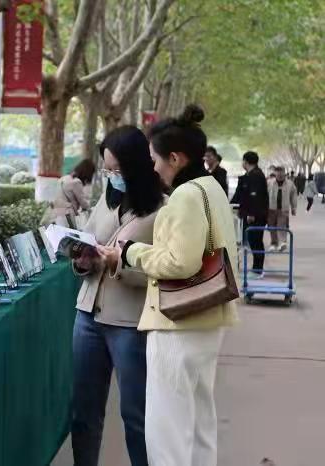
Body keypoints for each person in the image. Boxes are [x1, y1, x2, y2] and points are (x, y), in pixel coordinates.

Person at [97, 104, 238, 466]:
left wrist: (130, 252)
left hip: (178, 321)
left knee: (168, 431)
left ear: (175, 158)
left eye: (155, 160)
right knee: (199, 422)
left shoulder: (186, 196)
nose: (154, 168)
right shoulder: (212, 188)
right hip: (208, 317)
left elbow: (180, 262)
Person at [70, 126, 164, 466]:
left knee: (136, 414)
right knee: (84, 412)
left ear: (137, 165)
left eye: (117, 170)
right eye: (107, 170)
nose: (112, 177)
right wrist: (81, 259)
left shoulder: (162, 210)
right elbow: (88, 241)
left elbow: (162, 270)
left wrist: (118, 263)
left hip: (129, 323)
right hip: (87, 317)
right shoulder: (106, 201)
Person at [231, 151, 269, 277]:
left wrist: (251, 213)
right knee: (252, 241)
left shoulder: (256, 175)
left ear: (246, 161)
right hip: (249, 214)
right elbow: (242, 194)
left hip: (256, 216)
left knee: (256, 241)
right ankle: (256, 269)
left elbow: (255, 196)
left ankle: (258, 270)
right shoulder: (249, 175)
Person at [40, 159, 95, 226]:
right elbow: (83, 203)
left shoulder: (64, 178)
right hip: (66, 215)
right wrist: (92, 210)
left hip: (55, 214)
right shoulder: (76, 182)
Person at [267, 166, 297, 251]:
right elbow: (264, 194)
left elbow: (293, 196)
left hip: (283, 209)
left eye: (281, 173)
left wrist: (294, 207)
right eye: (278, 173)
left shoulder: (290, 184)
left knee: (282, 226)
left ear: (284, 173)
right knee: (272, 227)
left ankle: (282, 242)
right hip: (271, 209)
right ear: (275, 173)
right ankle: (274, 243)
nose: (280, 175)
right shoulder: (270, 182)